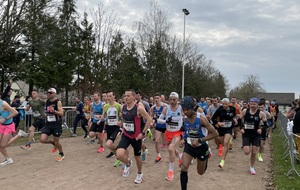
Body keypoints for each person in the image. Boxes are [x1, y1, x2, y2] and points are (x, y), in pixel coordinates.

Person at [179, 96, 218, 190]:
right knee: (183, 168)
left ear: (192, 108)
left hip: (201, 147)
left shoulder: (201, 119)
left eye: (186, 110)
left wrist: (200, 140)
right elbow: (188, 131)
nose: (184, 112)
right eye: (183, 110)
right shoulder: (185, 119)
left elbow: (215, 134)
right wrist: (183, 140)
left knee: (200, 172)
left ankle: (207, 154)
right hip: (189, 146)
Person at [116, 89, 152, 184]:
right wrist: (121, 123)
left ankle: (139, 173)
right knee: (119, 154)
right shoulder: (122, 107)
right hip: (126, 134)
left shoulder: (138, 108)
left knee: (137, 157)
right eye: (125, 96)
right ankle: (128, 164)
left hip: (136, 137)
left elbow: (149, 119)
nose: (126, 98)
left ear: (134, 97)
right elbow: (124, 119)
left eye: (128, 96)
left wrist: (143, 133)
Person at [157, 92, 183, 181]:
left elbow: (186, 118)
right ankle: (180, 156)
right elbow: (159, 120)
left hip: (177, 132)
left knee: (171, 148)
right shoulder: (166, 108)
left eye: (174, 99)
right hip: (168, 132)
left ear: (177, 100)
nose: (172, 101)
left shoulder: (181, 108)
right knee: (172, 149)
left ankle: (170, 172)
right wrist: (165, 121)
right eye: (170, 99)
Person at [239, 97, 267, 175]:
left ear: (257, 105)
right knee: (246, 152)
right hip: (246, 134)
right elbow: (239, 120)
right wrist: (241, 128)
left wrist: (261, 129)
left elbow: (266, 124)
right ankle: (250, 148)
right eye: (251, 104)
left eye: (254, 104)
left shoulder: (261, 113)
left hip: (256, 135)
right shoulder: (245, 111)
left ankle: (252, 167)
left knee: (254, 152)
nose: (252, 105)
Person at [0, 98, 28, 166]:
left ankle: (19, 134)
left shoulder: (3, 103)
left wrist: (5, 119)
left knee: (3, 145)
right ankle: (8, 159)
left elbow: (15, 112)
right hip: (1, 125)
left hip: (8, 126)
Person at [40, 88, 65, 161]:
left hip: (56, 124)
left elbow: (62, 113)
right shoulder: (47, 101)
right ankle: (53, 143)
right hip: (48, 124)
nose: (48, 94)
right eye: (48, 92)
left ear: (54, 93)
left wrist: (54, 112)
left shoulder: (58, 102)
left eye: (50, 93)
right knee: (42, 140)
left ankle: (61, 154)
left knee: (57, 142)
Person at [211, 98, 237, 169]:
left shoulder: (233, 109)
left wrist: (235, 120)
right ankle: (227, 146)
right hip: (221, 129)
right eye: (223, 104)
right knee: (223, 144)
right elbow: (213, 119)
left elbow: (234, 116)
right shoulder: (219, 110)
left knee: (225, 142)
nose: (224, 105)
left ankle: (222, 161)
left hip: (229, 128)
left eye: (226, 104)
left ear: (229, 104)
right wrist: (218, 123)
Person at [102, 91, 122, 167]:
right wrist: (101, 118)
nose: (109, 98)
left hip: (115, 127)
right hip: (108, 126)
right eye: (107, 96)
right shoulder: (105, 106)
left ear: (114, 97)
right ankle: (118, 157)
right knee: (109, 144)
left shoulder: (119, 106)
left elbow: (122, 116)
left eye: (110, 96)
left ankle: (118, 150)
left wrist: (120, 121)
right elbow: (104, 116)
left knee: (108, 144)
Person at [149, 93, 167, 163]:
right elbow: (151, 116)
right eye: (155, 98)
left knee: (168, 143)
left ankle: (177, 155)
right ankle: (159, 155)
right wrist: (151, 122)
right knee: (157, 141)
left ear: (160, 99)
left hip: (166, 125)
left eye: (157, 98)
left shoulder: (165, 106)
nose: (156, 100)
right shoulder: (152, 108)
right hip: (158, 126)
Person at [293, 99, 300, 164]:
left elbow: (296, 121)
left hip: (298, 130)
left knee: (299, 144)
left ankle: (299, 158)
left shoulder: (298, 112)